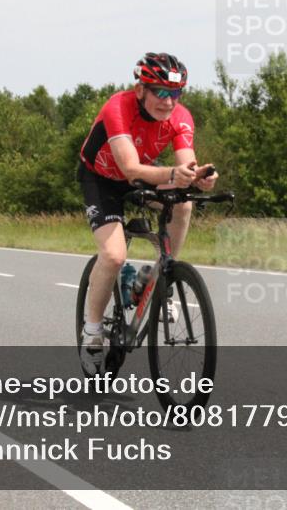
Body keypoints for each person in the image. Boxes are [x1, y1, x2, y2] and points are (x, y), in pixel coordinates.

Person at [77, 53, 217, 375]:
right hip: (101, 178)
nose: (168, 102)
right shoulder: (118, 107)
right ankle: (93, 331)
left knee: (183, 202)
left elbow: (187, 164)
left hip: (142, 174)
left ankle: (162, 277)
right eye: (161, 92)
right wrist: (172, 174)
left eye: (176, 93)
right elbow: (127, 166)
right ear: (140, 89)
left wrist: (201, 177)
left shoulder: (180, 117)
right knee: (113, 256)